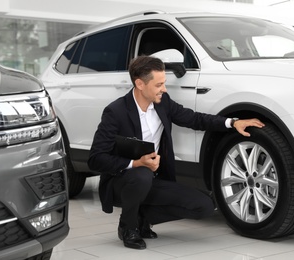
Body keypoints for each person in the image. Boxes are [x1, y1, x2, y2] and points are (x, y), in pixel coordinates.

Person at [88, 55, 265, 250]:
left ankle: (140, 217)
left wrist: (232, 122)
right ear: (140, 84)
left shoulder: (163, 103)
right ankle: (129, 227)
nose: (164, 89)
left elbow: (194, 119)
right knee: (141, 176)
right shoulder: (116, 112)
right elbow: (96, 159)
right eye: (159, 85)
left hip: (154, 179)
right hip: (122, 182)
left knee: (204, 205)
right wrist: (137, 163)